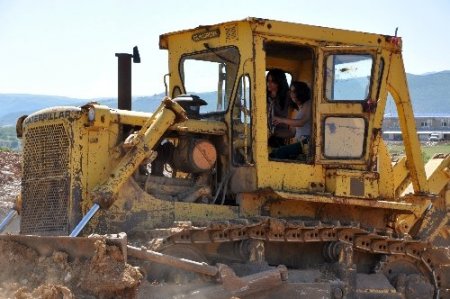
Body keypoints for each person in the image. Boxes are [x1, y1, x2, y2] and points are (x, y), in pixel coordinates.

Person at [270, 81, 312, 160]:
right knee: (273, 152)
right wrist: (272, 133)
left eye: (295, 91)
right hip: (299, 142)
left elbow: (301, 122)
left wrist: (281, 120)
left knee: (280, 152)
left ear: (302, 92)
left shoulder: (309, 104)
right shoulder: (298, 110)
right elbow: (292, 133)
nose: (292, 94)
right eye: (291, 91)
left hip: (306, 142)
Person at [266, 69, 294, 147]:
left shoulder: (288, 96)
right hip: (265, 130)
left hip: (280, 132)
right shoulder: (264, 95)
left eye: (273, 82)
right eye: (268, 81)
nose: (269, 84)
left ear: (279, 82)